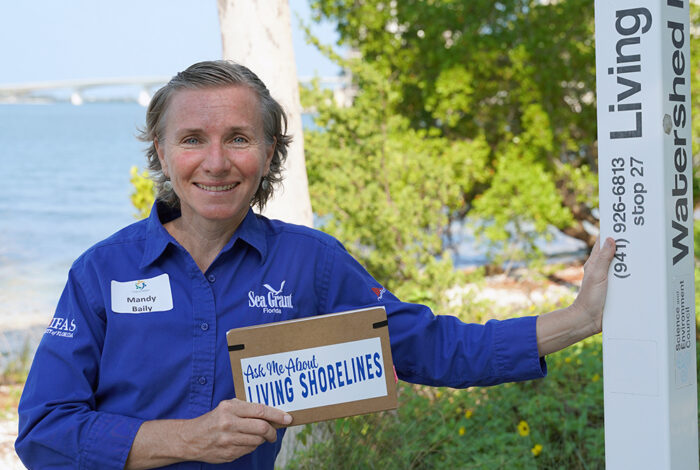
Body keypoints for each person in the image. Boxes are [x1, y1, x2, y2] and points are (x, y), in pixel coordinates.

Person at [15, 60, 615, 469]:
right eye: (193, 138)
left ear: (269, 153)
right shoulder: (101, 272)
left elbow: (432, 348)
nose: (216, 162)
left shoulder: (311, 264)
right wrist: (191, 438)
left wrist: (582, 318)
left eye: (240, 139)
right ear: (163, 152)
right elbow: (43, 432)